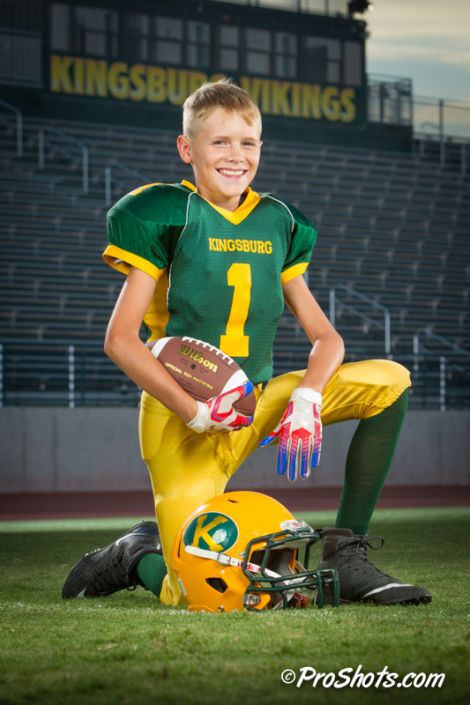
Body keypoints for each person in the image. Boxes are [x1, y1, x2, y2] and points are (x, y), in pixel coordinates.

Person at [62, 79, 431, 608]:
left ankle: (344, 554)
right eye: (220, 142)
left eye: (248, 143)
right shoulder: (165, 213)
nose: (236, 156)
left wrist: (307, 397)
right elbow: (120, 341)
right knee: (197, 594)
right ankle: (135, 553)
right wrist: (192, 410)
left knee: (391, 383)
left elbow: (326, 337)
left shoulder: (279, 221)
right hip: (181, 416)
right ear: (187, 149)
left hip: (254, 403)